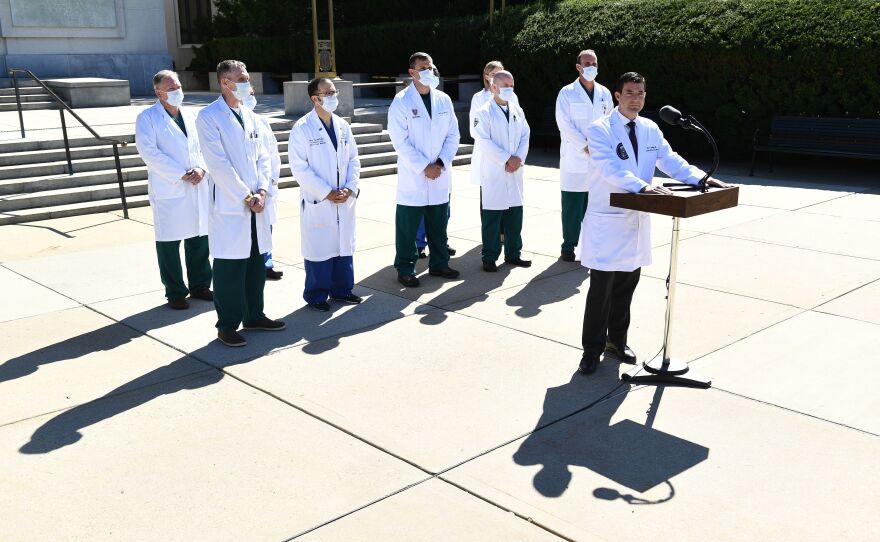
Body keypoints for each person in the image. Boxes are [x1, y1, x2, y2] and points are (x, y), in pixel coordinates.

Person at [578, 72, 731, 374]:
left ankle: (616, 342)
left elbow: (669, 159)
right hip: (608, 220)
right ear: (617, 97)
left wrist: (701, 178)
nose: (636, 99)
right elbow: (609, 167)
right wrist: (643, 186)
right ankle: (591, 351)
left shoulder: (650, 128)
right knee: (601, 289)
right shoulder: (600, 130)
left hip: (635, 219)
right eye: (630, 93)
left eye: (641, 93)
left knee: (626, 286)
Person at [196, 59, 286, 347]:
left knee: (256, 265)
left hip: (256, 202)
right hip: (231, 205)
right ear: (225, 82)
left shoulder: (250, 115)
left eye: (247, 77)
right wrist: (245, 196)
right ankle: (227, 325)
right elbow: (217, 164)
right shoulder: (209, 117)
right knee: (230, 269)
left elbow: (263, 157)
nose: (248, 83)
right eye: (242, 79)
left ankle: (254, 315)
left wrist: (261, 190)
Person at [135, 70, 212, 310]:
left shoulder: (191, 115)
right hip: (170, 187)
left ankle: (200, 285)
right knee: (169, 242)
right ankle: (175, 291)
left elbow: (204, 147)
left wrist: (201, 168)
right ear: (158, 93)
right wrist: (182, 173)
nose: (177, 91)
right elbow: (149, 152)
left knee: (199, 237)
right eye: (171, 88)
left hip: (197, 183)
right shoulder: (147, 118)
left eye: (178, 86)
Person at [387, 51, 461, 287]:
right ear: (412, 73)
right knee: (408, 228)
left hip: (439, 174)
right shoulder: (401, 102)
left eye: (431, 67)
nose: (430, 72)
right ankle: (406, 268)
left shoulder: (443, 100)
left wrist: (440, 163)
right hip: (414, 176)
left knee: (438, 225)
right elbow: (400, 141)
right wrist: (423, 166)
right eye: (424, 68)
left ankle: (439, 264)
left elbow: (453, 135)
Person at [289, 77, 362, 311]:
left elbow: (354, 160)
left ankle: (343, 290)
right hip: (319, 200)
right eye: (328, 93)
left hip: (344, 197)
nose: (334, 97)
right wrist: (326, 192)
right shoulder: (302, 128)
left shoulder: (343, 126)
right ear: (315, 98)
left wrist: (350, 187)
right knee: (319, 249)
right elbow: (300, 169)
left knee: (343, 246)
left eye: (334, 92)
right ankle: (316, 295)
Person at [555, 49, 613, 262]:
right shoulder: (567, 93)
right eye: (587, 64)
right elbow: (564, 124)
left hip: (599, 158)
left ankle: (592, 246)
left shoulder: (605, 93)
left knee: (595, 206)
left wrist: (601, 146)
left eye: (594, 64)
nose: (591, 67)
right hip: (575, 157)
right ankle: (568, 246)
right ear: (578, 67)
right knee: (572, 206)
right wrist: (585, 146)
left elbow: (610, 122)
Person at [472, 70, 532, 272]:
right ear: (493, 87)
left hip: (515, 171)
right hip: (495, 170)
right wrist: (507, 159)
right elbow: (483, 141)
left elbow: (525, 135)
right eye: (505, 85)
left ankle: (514, 253)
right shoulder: (483, 112)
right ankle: (489, 256)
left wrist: (518, 159)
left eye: (511, 85)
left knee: (515, 214)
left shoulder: (517, 110)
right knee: (492, 216)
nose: (509, 89)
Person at [243, 89, 284, 281]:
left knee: (267, 226)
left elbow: (272, 154)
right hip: (247, 189)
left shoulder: (262, 121)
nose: (251, 97)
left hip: (266, 185)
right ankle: (254, 266)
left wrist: (272, 180)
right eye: (247, 93)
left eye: (252, 93)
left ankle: (267, 264)